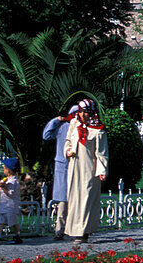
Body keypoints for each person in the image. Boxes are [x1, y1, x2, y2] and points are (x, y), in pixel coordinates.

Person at [63, 98, 108, 243]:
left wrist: (102, 170)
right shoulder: (74, 124)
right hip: (74, 166)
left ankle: (83, 231)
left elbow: (101, 152)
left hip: (89, 168)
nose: (83, 115)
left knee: (86, 198)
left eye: (86, 112)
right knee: (75, 198)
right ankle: (74, 229)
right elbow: (68, 141)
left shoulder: (98, 129)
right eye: (81, 112)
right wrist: (68, 150)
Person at [43, 105, 77, 240]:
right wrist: (56, 120)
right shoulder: (62, 127)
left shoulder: (83, 129)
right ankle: (59, 230)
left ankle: (75, 229)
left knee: (76, 200)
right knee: (63, 201)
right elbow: (46, 135)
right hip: (62, 166)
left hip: (77, 167)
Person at [0, 157, 23, 244]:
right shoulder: (6, 180)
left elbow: (11, 194)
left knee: (12, 221)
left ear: (8, 170)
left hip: (11, 206)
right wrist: (1, 189)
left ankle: (17, 235)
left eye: (4, 168)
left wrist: (3, 188)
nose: (3, 170)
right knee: (2, 221)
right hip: (4, 205)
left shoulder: (13, 181)